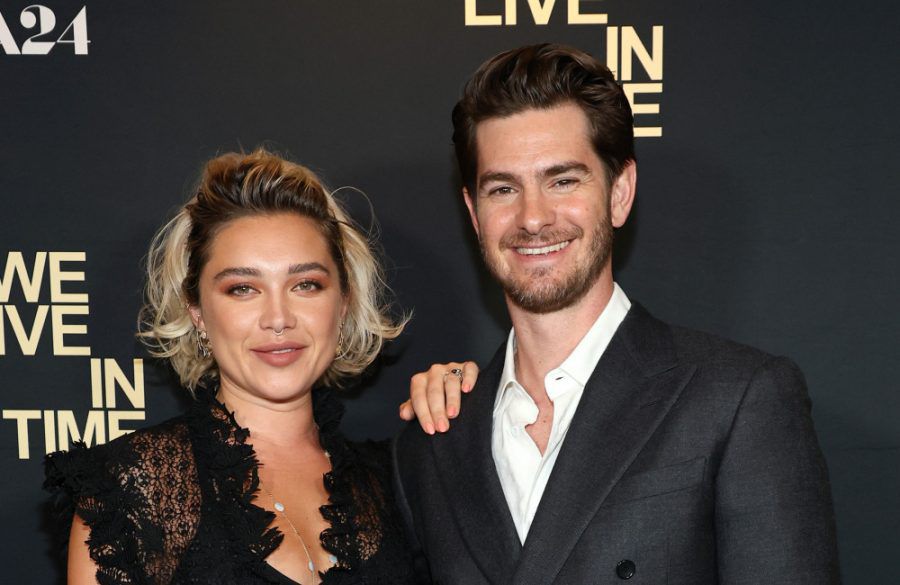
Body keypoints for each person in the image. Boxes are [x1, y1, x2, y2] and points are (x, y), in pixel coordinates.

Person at [393, 43, 841, 584]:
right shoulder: (432, 440)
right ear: (473, 212)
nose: (533, 218)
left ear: (619, 192)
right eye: (503, 188)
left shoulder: (739, 398)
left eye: (563, 181)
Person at [44, 149, 475, 584]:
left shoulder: (395, 480)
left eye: (306, 285)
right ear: (197, 311)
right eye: (243, 289)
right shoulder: (133, 489)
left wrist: (481, 402)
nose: (278, 317)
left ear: (343, 303)